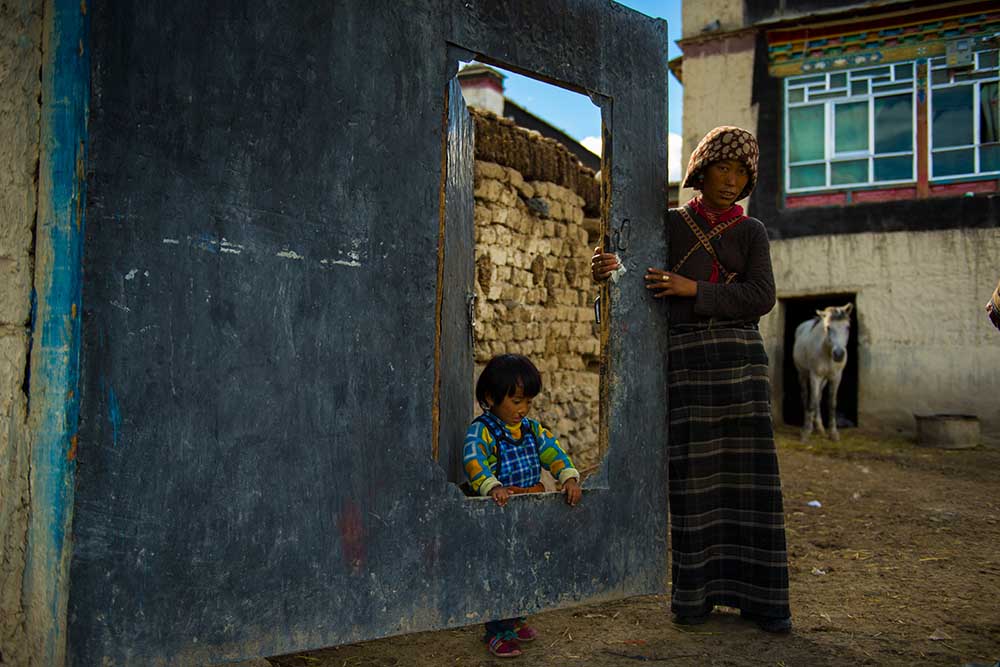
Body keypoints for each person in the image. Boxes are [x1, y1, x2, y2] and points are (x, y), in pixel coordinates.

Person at [591, 126, 792, 634]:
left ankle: (763, 603)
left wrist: (693, 289)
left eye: (742, 172)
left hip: (742, 366)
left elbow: (761, 297)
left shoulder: (752, 233)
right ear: (701, 171)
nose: (731, 180)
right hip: (686, 363)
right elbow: (636, 277)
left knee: (752, 484)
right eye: (723, 168)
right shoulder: (670, 226)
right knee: (693, 483)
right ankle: (694, 599)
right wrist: (609, 268)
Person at [463, 353, 583, 658]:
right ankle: (495, 630)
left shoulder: (532, 430)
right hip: (498, 515)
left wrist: (568, 477)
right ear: (491, 397)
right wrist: (493, 486)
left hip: (527, 512)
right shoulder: (482, 431)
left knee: (525, 566)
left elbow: (554, 453)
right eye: (516, 401)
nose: (523, 409)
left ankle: (516, 620)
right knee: (499, 569)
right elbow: (474, 463)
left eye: (527, 402)